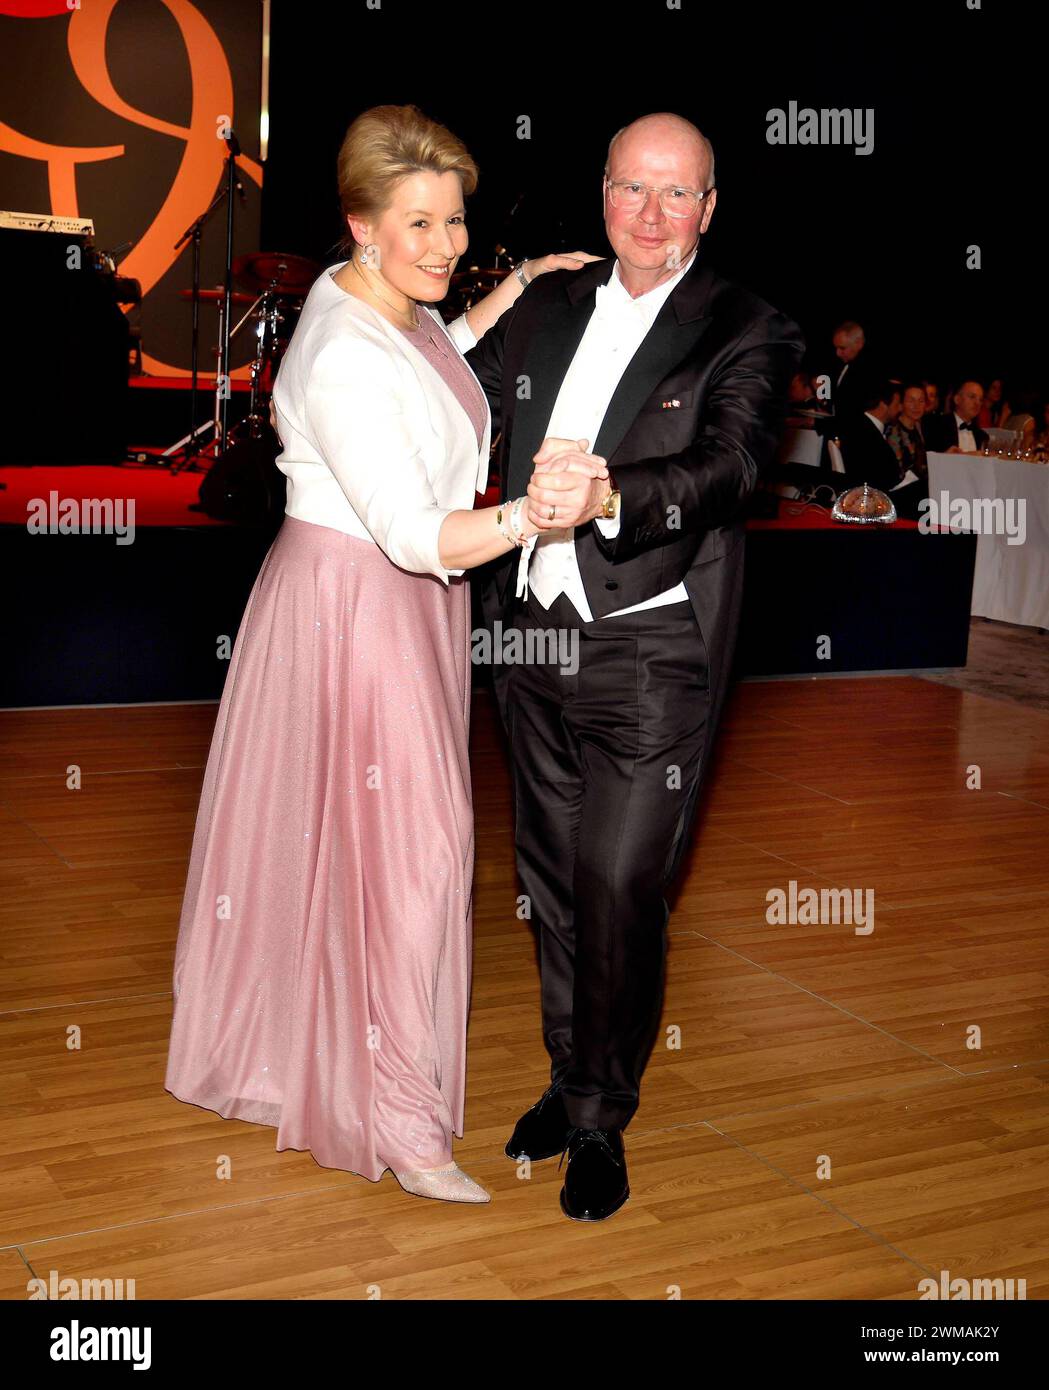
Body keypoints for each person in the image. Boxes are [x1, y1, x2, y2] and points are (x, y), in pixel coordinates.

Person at [164, 104, 604, 1205]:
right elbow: (417, 533)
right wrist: (536, 515)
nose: (448, 246)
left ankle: (290, 1057)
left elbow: (429, 365)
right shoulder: (341, 347)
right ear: (362, 223)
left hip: (383, 606)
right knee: (415, 858)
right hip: (359, 607)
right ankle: (400, 1126)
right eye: (420, 223)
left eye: (456, 220)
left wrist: (509, 290)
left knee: (342, 851)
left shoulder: (371, 299)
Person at [464, 112, 804, 1221]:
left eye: (676, 195)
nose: (650, 217)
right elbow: (445, 392)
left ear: (708, 207)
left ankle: (603, 1117)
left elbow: (735, 462)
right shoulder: (551, 304)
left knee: (617, 885)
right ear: (600, 190)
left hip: (651, 646)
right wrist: (507, 285)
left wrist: (612, 493)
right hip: (532, 632)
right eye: (630, 190)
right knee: (551, 880)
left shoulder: (744, 325)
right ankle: (568, 1083)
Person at [837, 380, 903, 490]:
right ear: (883, 405)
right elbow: (883, 479)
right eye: (897, 405)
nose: (900, 408)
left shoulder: (858, 426)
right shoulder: (867, 436)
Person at [923, 380, 988, 453]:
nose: (977, 403)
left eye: (980, 400)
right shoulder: (936, 426)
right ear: (957, 399)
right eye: (972, 397)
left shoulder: (982, 436)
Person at [829, 320, 876, 420]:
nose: (837, 353)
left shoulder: (866, 371)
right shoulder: (843, 365)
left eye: (842, 348)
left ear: (859, 343)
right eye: (836, 348)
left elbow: (853, 413)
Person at [884, 382, 929, 479]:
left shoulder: (921, 428)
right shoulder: (893, 431)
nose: (916, 406)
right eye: (911, 401)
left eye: (921, 401)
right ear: (901, 404)